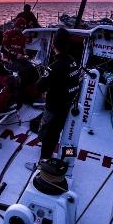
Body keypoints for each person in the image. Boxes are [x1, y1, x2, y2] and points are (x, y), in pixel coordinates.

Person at [35, 28, 80, 160]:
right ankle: (56, 156)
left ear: (53, 44)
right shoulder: (73, 61)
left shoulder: (54, 67)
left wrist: (42, 75)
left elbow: (38, 87)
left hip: (54, 108)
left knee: (46, 135)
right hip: (66, 106)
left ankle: (43, 162)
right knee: (55, 133)